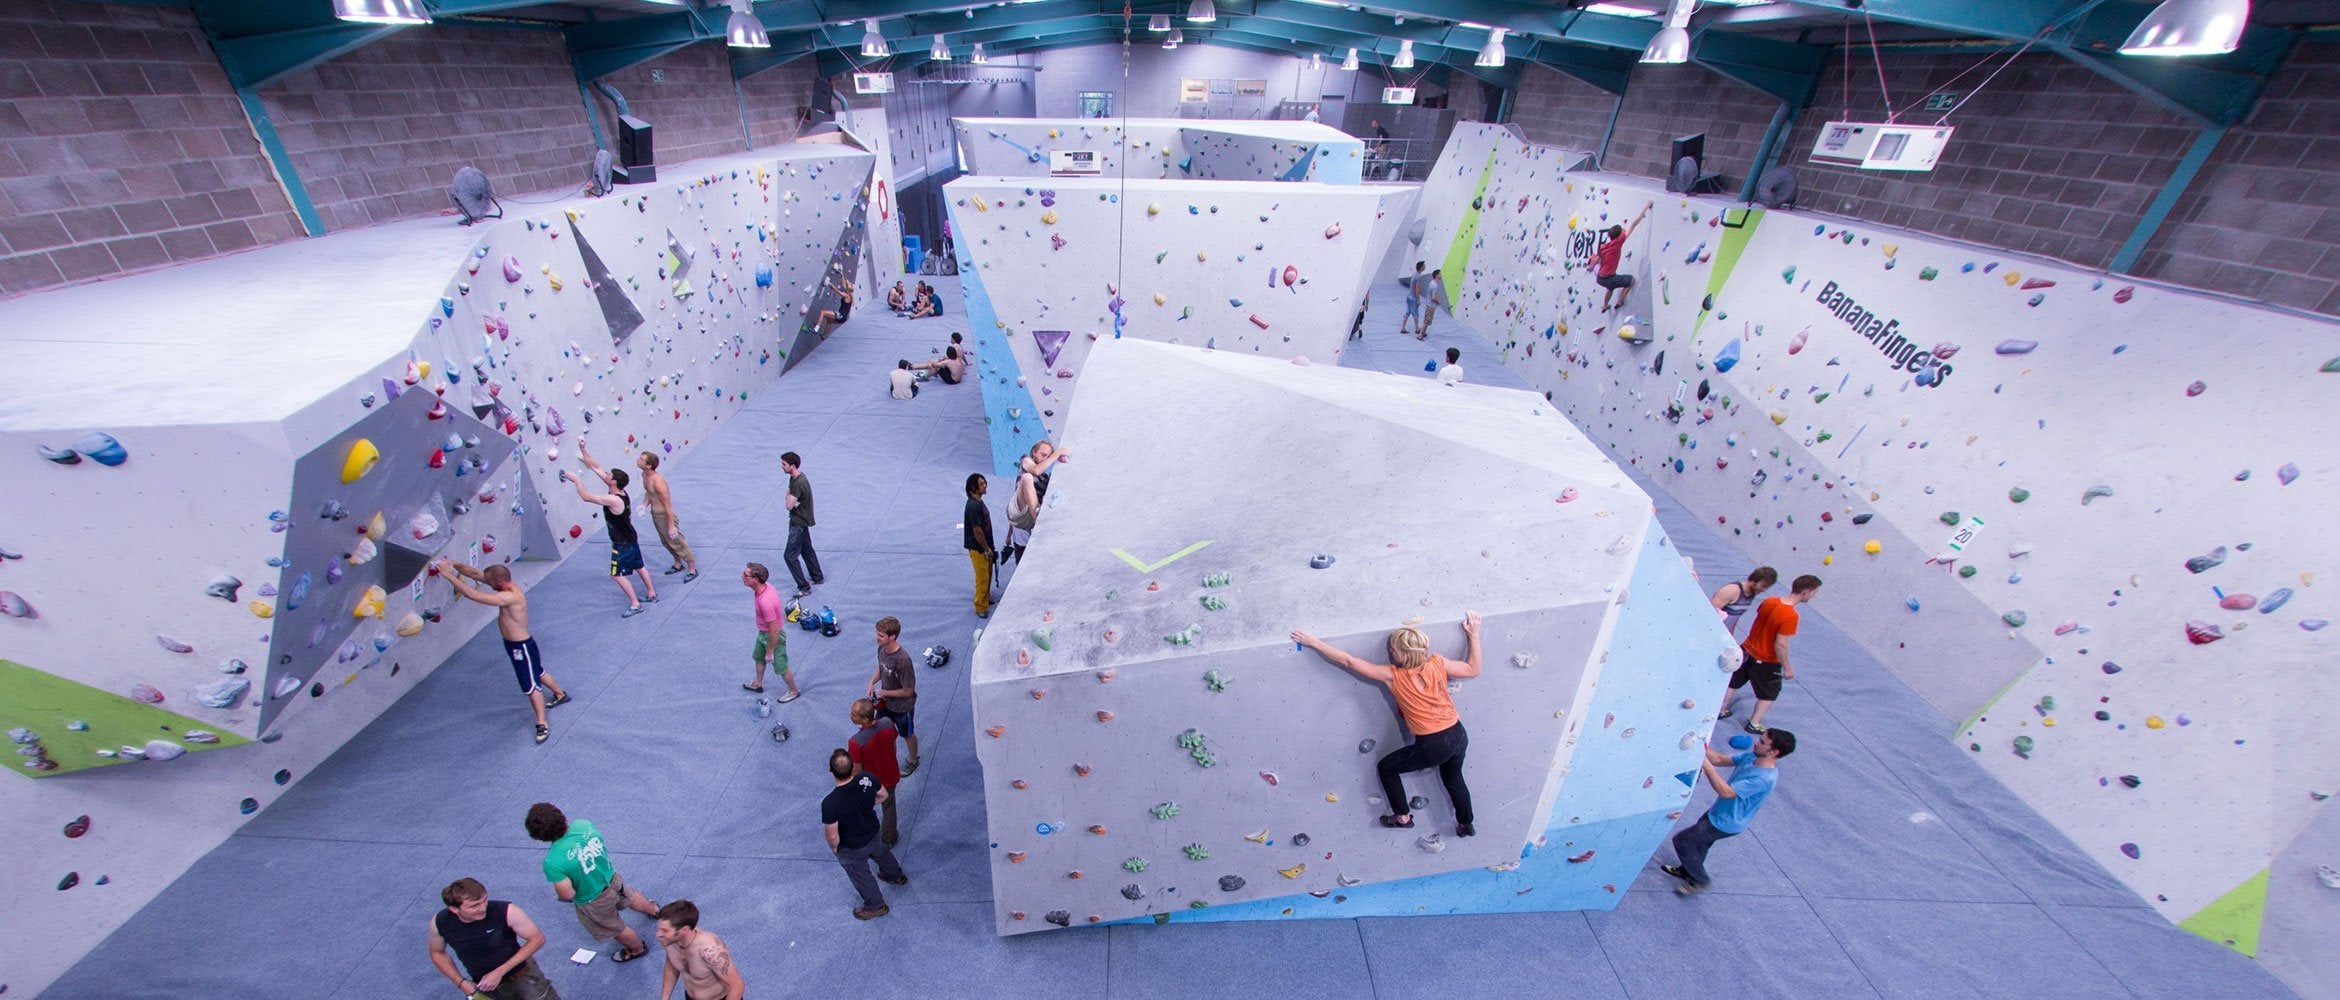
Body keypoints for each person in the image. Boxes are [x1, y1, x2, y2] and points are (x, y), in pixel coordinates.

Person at [1292, 613, 1483, 836]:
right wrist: (1474, 634)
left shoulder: (1392, 676)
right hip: (1458, 734)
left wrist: (1314, 642)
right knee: (1453, 777)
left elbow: (1349, 661)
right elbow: (1473, 670)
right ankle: (1465, 823)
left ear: (1402, 654)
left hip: (1433, 744)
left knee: (1387, 768)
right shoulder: (1437, 663)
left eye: (1393, 649)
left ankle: (1402, 816)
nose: (1390, 652)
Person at [437, 558, 570, 745]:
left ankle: (542, 722)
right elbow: (476, 574)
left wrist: (448, 575)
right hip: (518, 644)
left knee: (530, 685)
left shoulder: (510, 596)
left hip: (520, 646)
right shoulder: (503, 585)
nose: (486, 582)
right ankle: (560, 694)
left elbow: (477, 597)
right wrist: (454, 564)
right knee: (537, 671)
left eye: (489, 581)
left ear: (498, 582)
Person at [525, 803, 661, 963]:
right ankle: (654, 910)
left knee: (615, 928)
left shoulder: (553, 861)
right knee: (629, 896)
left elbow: (567, 894)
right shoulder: (583, 825)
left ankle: (637, 949)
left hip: (593, 899)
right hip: (611, 877)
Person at [1663, 729, 1796, 893]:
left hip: (1726, 823)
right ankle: (1687, 871)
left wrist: (1708, 767)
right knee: (1701, 845)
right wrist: (1700, 743)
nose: (1756, 742)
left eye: (1762, 742)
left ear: (1774, 752)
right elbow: (1719, 759)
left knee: (1683, 841)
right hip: (1718, 813)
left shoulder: (1762, 779)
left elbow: (1727, 792)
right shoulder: (1752, 757)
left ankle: (1700, 879)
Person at [428, 878, 560, 1000]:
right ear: (454, 909)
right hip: (485, 985)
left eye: (484, 900)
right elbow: (437, 952)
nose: (482, 908)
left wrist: (499, 972)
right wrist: (461, 983)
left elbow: (537, 939)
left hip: (522, 976)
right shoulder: (440, 922)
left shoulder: (506, 911)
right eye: (474, 906)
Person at [568, 439, 657, 617]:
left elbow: (586, 497)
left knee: (616, 575)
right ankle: (651, 593)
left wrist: (576, 480)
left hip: (621, 542)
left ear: (614, 482)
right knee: (639, 565)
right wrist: (583, 449)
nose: (606, 474)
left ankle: (635, 603)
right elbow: (596, 467)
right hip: (630, 537)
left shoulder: (613, 499)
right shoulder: (619, 491)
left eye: (609, 475)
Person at [1721, 574, 1820, 734]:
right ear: (1805, 592)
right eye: (1813, 593)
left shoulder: (1770, 601)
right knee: (1769, 694)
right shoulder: (1791, 616)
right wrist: (1787, 667)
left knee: (1733, 682)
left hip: (1747, 649)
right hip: (1766, 660)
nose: (1813, 596)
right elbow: (1780, 644)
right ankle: (1754, 722)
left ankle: (1721, 709)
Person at [822, 748, 908, 920]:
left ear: (830, 770)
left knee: (861, 874)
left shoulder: (830, 803)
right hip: (873, 831)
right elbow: (883, 795)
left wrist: (835, 848)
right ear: (853, 767)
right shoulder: (866, 778)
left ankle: (876, 906)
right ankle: (894, 875)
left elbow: (832, 836)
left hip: (851, 846)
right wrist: (866, 805)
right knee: (882, 853)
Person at [654, 900, 744, 1000]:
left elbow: (737, 986)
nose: (658, 934)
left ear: (684, 930)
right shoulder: (669, 940)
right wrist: (664, 998)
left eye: (665, 930)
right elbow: (672, 964)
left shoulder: (710, 951)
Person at [866, 615, 920, 776]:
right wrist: (871, 682)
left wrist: (885, 692)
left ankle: (913, 760)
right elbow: (881, 668)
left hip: (903, 707)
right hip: (886, 703)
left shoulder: (903, 661)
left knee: (907, 734)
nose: (877, 638)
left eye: (880, 635)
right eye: (877, 633)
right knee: (880, 729)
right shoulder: (882, 649)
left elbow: (908, 691)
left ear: (892, 637)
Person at [847, 698, 904, 846]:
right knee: (889, 807)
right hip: (891, 774)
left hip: (871, 782)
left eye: (853, 714)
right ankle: (890, 837)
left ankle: (866, 834)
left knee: (864, 807)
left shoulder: (855, 742)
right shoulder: (888, 723)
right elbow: (893, 745)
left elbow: (858, 770)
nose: (850, 716)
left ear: (865, 719)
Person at [741, 562, 799, 701]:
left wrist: (770, 650)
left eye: (745, 575)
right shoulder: (765, 588)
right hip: (763, 633)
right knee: (758, 657)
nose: (742, 576)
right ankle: (758, 683)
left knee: (781, 666)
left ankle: (793, 690)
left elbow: (774, 629)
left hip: (772, 637)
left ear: (755, 579)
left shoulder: (765, 602)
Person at [637, 451, 697, 581]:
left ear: (648, 465)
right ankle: (677, 562)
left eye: (641, 459)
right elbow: (649, 493)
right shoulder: (644, 475)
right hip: (656, 515)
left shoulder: (658, 481)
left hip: (664, 515)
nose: (638, 460)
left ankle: (692, 568)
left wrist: (671, 526)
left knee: (676, 541)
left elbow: (667, 504)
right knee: (665, 541)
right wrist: (644, 504)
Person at [780, 451, 824, 597]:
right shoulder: (797, 477)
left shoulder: (798, 483)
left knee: (789, 556)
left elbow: (787, 504)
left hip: (798, 522)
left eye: (784, 464)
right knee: (806, 549)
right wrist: (792, 502)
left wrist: (792, 502)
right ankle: (817, 576)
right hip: (802, 520)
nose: (782, 466)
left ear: (792, 466)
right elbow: (789, 499)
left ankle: (804, 586)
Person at [1597, 202, 1653, 312]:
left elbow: (1600, 259)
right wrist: (1646, 207)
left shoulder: (1603, 247)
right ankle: (1619, 302)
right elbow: (1633, 225)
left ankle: (1605, 305)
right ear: (1618, 237)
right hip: (1609, 278)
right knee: (1630, 280)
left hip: (1601, 277)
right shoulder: (1618, 243)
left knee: (1611, 287)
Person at [1709, 566, 1778, 636]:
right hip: (1711, 633)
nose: (1764, 591)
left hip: (1722, 635)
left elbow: (1735, 618)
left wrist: (1730, 636)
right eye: (1763, 586)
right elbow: (1708, 613)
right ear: (1754, 581)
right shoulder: (1731, 591)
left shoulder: (1751, 594)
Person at [964, 473, 996, 619]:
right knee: (982, 577)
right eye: (981, 484)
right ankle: (980, 606)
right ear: (973, 488)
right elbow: (977, 531)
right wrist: (986, 549)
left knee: (988, 573)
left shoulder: (978, 502)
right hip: (979, 548)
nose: (985, 486)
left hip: (986, 546)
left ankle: (986, 597)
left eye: (984, 482)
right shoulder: (973, 507)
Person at [1399, 261, 1427, 338]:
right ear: (1421, 268)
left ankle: (1403, 327)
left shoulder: (1414, 274)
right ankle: (1417, 328)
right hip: (1413, 297)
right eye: (1424, 266)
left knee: (1407, 312)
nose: (1425, 266)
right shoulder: (1418, 277)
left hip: (1409, 296)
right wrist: (1418, 299)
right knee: (1415, 314)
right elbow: (1417, 288)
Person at [1419, 268, 1447, 338]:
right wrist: (1438, 302)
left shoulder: (1431, 282)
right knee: (1426, 321)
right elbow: (1433, 297)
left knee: (1427, 320)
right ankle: (1420, 334)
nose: (1441, 275)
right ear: (1437, 275)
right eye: (1440, 274)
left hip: (1429, 304)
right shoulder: (1435, 285)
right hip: (1431, 305)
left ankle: (1424, 333)